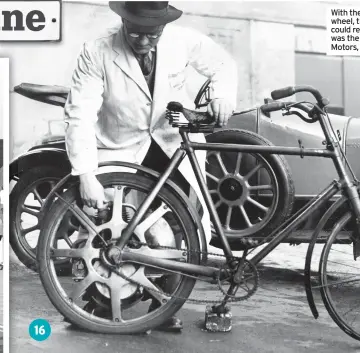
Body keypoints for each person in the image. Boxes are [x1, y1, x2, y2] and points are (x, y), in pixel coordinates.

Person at [64, 1, 238, 331]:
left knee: (178, 228)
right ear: (123, 21)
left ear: (163, 26)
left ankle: (164, 305)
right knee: (112, 228)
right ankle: (97, 305)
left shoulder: (183, 40)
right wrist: (85, 173)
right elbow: (79, 115)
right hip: (123, 147)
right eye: (135, 33)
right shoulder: (96, 51)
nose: (143, 41)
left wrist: (222, 95)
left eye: (152, 35)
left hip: (172, 144)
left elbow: (223, 64)